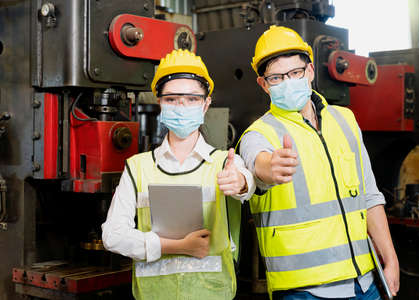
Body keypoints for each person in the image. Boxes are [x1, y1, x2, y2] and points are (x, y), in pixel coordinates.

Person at [238, 25, 400, 300]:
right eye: (276, 77)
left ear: (310, 71)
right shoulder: (258, 135)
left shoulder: (344, 120)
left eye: (295, 73)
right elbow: (258, 165)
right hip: (305, 291)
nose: (288, 81)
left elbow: (369, 196)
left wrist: (391, 259)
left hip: (364, 283)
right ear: (263, 84)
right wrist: (270, 168)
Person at [102, 49, 255, 300]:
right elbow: (113, 236)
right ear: (159, 103)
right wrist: (176, 247)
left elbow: (246, 185)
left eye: (192, 99)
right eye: (171, 99)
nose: (181, 106)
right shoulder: (137, 168)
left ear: (206, 104)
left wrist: (239, 182)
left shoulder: (225, 163)